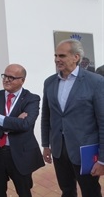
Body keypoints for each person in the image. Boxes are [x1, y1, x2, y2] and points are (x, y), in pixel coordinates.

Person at [41, 38, 104, 197]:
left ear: (76, 57)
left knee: (90, 192)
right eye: (55, 55)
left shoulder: (95, 81)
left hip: (85, 151)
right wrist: (46, 145)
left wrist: (102, 160)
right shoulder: (49, 82)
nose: (57, 59)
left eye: (61, 55)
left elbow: (103, 122)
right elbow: (46, 116)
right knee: (67, 190)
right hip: (59, 150)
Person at [0, 64, 44, 197]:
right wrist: (14, 123)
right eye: (5, 76)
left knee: (24, 191)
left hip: (20, 154)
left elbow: (26, 124)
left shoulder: (32, 98)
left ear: (22, 80)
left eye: (12, 77)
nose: (6, 80)